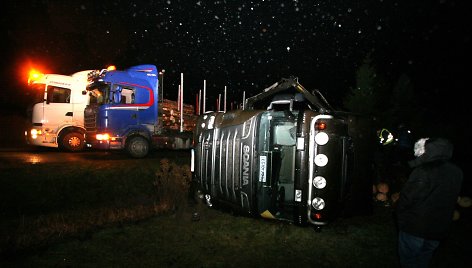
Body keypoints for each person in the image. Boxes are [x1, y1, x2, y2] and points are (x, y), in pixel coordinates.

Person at [395, 137, 463, 268]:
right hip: (439, 229)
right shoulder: (457, 172)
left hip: (415, 227)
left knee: (409, 262)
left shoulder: (423, 170)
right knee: (424, 259)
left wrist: (400, 215)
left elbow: (408, 198)